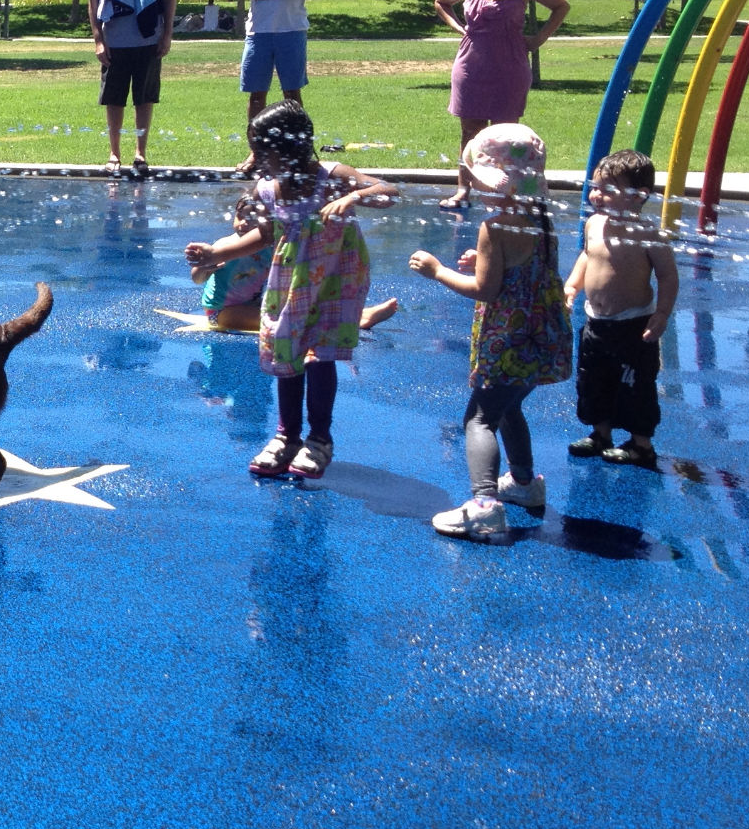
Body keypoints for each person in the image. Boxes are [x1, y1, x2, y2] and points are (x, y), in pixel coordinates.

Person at [185, 101, 395, 480]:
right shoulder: (270, 190)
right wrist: (216, 251)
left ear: (289, 148)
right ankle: (286, 437)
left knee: (319, 356)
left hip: (336, 281)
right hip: (290, 282)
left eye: (263, 151)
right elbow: (262, 236)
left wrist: (353, 196)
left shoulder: (333, 175)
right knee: (286, 353)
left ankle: (318, 440)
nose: (257, 161)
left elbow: (388, 191)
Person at [407, 126, 572, 541]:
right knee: (510, 405)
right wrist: (480, 259)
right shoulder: (541, 218)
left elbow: (487, 289)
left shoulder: (495, 227)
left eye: (483, 183)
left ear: (506, 186)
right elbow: (518, 270)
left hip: (507, 338)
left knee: (479, 417)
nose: (478, 191)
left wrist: (438, 270)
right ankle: (522, 482)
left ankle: (484, 505)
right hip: (541, 336)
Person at [432, 0, 570, 210]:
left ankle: (508, 194)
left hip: (509, 65)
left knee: (507, 136)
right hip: (472, 66)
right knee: (469, 133)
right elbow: (441, 2)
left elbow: (561, 6)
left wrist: (539, 38)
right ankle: (463, 190)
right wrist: (459, 27)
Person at [564, 149, 677, 471]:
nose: (597, 195)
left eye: (608, 190)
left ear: (639, 196)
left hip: (633, 326)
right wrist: (573, 285)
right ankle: (600, 434)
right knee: (592, 380)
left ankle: (641, 445)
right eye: (595, 186)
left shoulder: (648, 234)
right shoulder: (594, 224)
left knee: (636, 386)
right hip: (596, 322)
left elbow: (668, 276)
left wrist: (662, 314)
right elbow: (588, 256)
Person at [190, 191, 399, 336]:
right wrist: (204, 267)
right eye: (240, 216)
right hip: (221, 312)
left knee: (298, 307)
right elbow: (197, 278)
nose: (244, 223)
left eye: (253, 218)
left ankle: (349, 312)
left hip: (257, 305)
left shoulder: (272, 246)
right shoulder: (227, 245)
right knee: (288, 323)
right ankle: (357, 318)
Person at [87, 0, 175, 178]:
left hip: (148, 36)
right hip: (116, 39)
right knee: (114, 99)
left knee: (144, 98)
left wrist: (168, 34)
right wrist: (98, 39)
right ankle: (114, 153)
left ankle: (140, 153)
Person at [234, 0, 320, 164]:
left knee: (292, 95)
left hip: (291, 31)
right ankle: (256, 152)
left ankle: (300, 153)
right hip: (258, 32)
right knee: (256, 95)